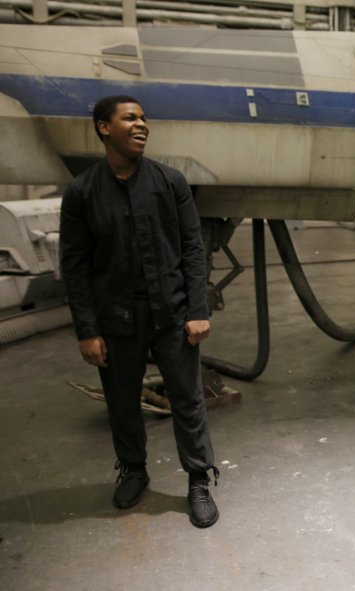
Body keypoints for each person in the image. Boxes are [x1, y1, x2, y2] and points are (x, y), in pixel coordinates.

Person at [59, 95, 221, 528]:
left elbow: (192, 250)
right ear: (103, 128)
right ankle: (133, 469)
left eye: (145, 118)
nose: (142, 124)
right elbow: (74, 267)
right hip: (116, 319)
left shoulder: (171, 183)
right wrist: (86, 329)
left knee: (187, 399)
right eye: (130, 118)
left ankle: (199, 479)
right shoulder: (82, 192)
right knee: (122, 401)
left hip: (171, 312)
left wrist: (197, 309)